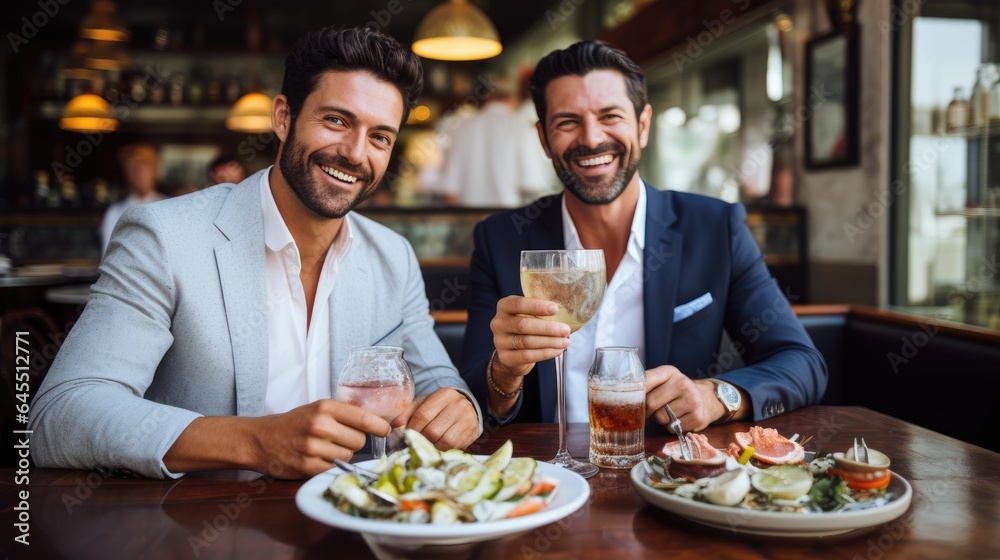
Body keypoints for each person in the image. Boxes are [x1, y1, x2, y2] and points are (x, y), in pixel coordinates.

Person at [31, 27, 482, 480]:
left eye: (380, 137)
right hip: (200, 533)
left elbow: (437, 381)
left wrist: (460, 407)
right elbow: (61, 414)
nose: (354, 153)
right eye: (336, 121)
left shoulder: (393, 256)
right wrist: (256, 441)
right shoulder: (164, 237)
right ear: (283, 118)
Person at [459, 41, 826, 432]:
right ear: (545, 139)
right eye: (567, 122)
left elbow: (802, 362)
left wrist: (716, 396)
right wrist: (506, 373)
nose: (591, 138)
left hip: (666, 470)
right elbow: (478, 397)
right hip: (550, 476)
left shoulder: (715, 227)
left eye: (610, 115)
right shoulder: (499, 240)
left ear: (643, 125)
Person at [437, 76, 556, 207]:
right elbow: (533, 186)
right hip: (509, 220)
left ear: (487, 96)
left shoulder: (463, 128)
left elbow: (451, 192)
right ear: (515, 98)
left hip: (470, 220)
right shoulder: (521, 128)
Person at [99, 142, 166, 255]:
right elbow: (108, 256)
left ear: (155, 169)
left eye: (143, 166)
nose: (137, 173)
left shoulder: (169, 206)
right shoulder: (115, 212)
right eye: (132, 168)